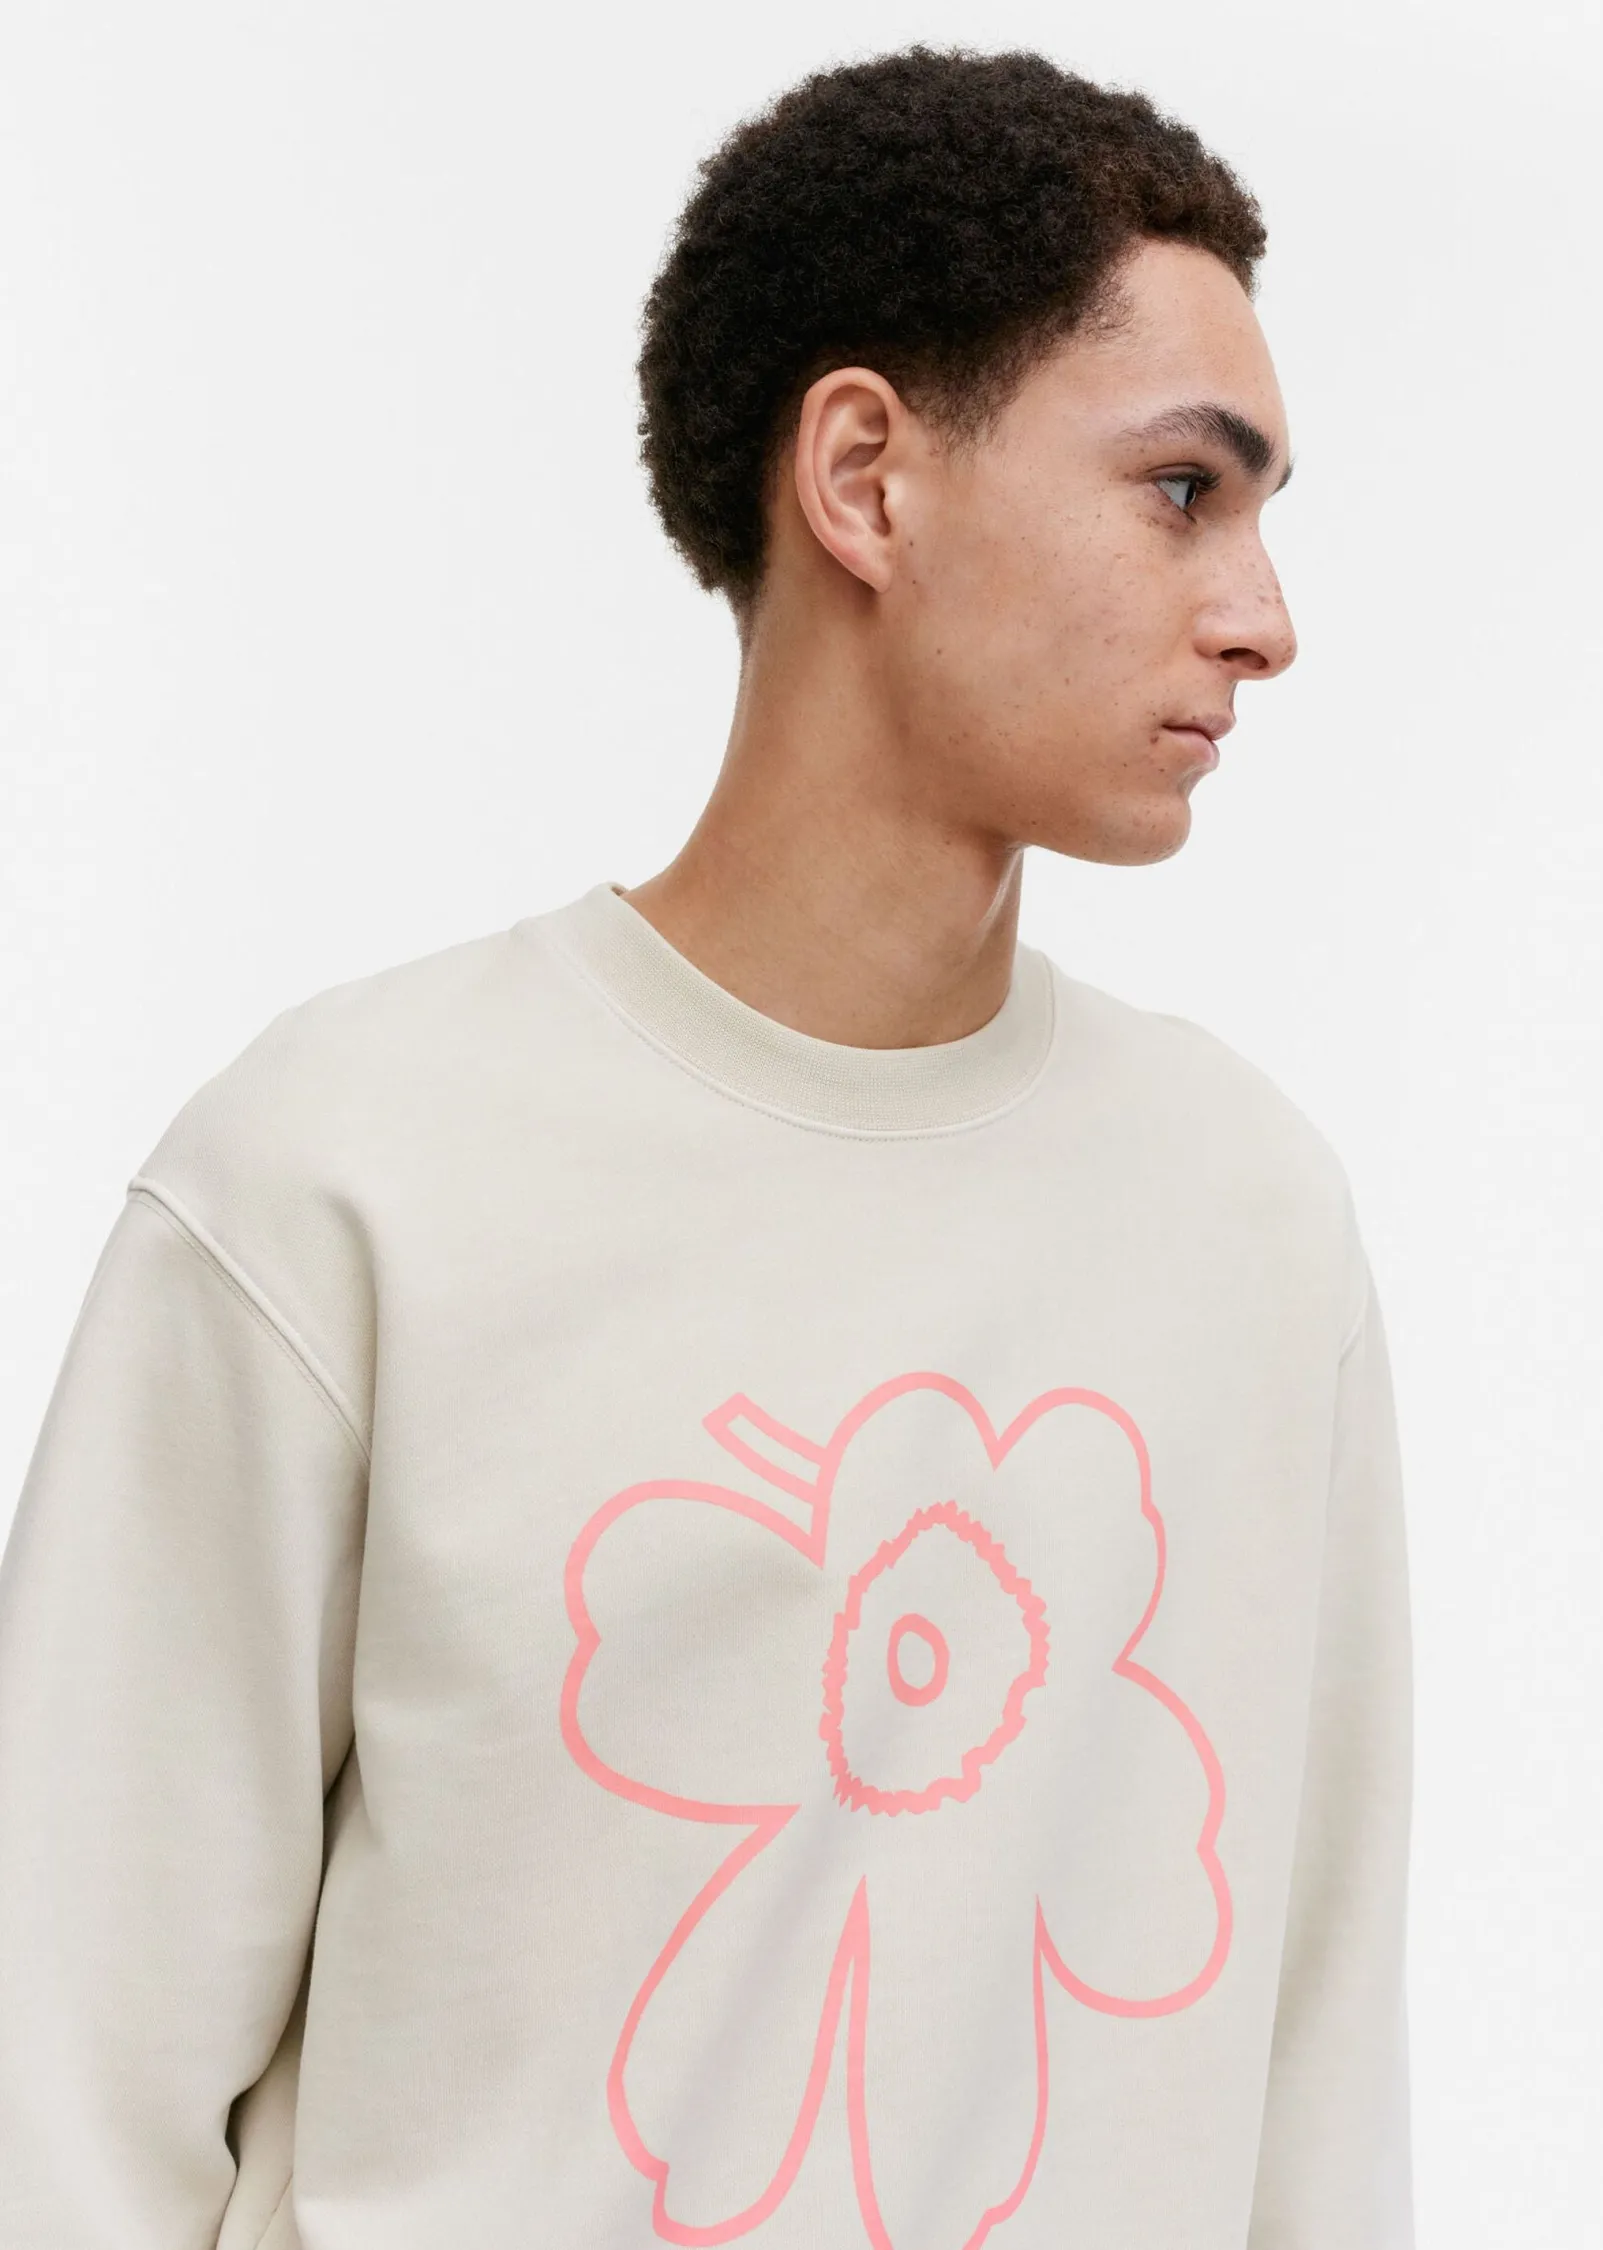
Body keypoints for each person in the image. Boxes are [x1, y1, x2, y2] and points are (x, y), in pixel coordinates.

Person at [0, 44, 1414, 2250]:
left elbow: (1313, 2098)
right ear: (865, 477)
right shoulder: (345, 1176)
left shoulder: (1248, 1221)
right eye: (1178, 489)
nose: (1265, 614)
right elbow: (60, 2094)